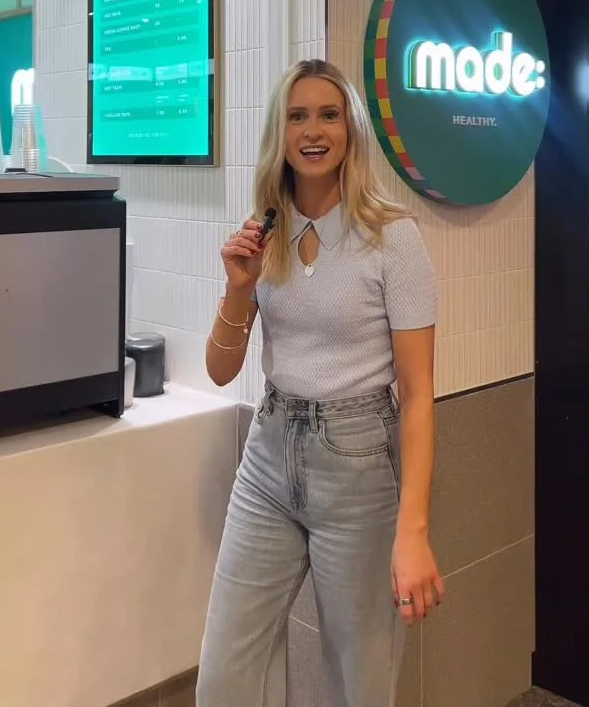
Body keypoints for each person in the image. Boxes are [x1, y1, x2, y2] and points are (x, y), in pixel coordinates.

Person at [196, 58, 444, 707]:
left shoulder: (393, 238)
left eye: (329, 115)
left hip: (359, 465)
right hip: (268, 457)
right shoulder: (265, 232)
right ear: (279, 133)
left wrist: (413, 531)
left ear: (350, 129)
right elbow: (220, 369)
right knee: (222, 677)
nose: (313, 131)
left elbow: (418, 396)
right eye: (297, 116)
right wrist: (238, 288)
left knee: (359, 687)